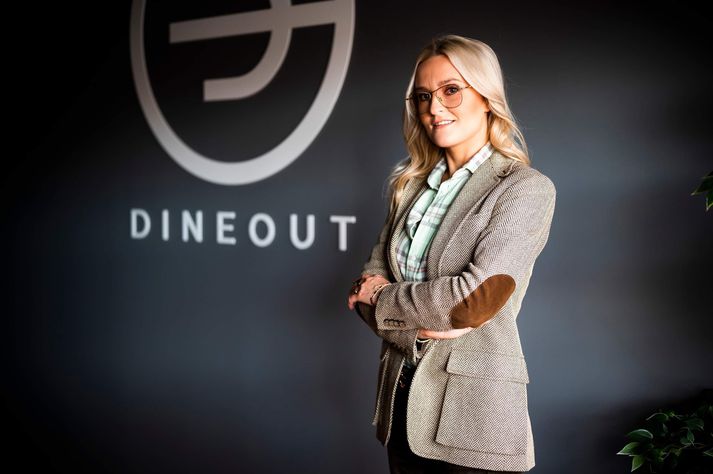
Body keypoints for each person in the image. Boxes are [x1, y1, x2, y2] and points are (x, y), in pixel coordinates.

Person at [346, 34, 557, 473]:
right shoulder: (409, 187)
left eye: (451, 90)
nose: (434, 108)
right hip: (400, 404)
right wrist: (419, 324)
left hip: (474, 416)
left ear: (486, 97)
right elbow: (363, 285)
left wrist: (384, 299)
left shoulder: (523, 188)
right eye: (424, 96)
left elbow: (472, 301)